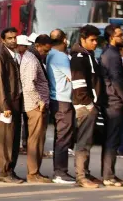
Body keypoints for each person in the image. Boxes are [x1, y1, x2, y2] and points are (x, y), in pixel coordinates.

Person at [70, 24, 103, 188]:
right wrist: (88, 104)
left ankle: (86, 174)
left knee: (88, 141)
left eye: (96, 40)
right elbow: (78, 84)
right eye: (92, 40)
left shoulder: (88, 55)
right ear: (83, 39)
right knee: (83, 142)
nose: (95, 43)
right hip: (84, 106)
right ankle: (81, 176)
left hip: (90, 104)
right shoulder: (79, 58)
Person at [99, 24, 123, 187]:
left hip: (110, 100)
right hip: (113, 102)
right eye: (119, 35)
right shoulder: (112, 55)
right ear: (112, 37)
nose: (122, 37)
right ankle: (108, 176)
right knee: (112, 139)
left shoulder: (109, 52)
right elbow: (117, 80)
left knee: (111, 139)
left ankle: (108, 174)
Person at [19, 34, 52, 183]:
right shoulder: (32, 60)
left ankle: (35, 172)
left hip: (36, 105)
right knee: (35, 141)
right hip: (35, 106)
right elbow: (29, 85)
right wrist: (39, 101)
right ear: (38, 46)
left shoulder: (32, 57)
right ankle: (33, 173)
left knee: (38, 140)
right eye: (45, 50)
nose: (46, 54)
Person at [0, 27, 24, 183]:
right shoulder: (1, 56)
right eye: (10, 38)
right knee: (6, 138)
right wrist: (4, 105)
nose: (13, 40)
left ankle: (11, 170)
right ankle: (4, 172)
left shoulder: (15, 55)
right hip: (7, 104)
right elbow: (0, 82)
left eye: (15, 37)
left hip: (17, 102)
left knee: (14, 138)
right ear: (3, 40)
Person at [46, 29, 76, 184]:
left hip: (55, 98)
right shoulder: (62, 57)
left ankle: (59, 171)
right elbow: (73, 78)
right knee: (64, 137)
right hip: (63, 100)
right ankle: (60, 172)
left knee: (60, 136)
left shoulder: (50, 54)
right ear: (65, 40)